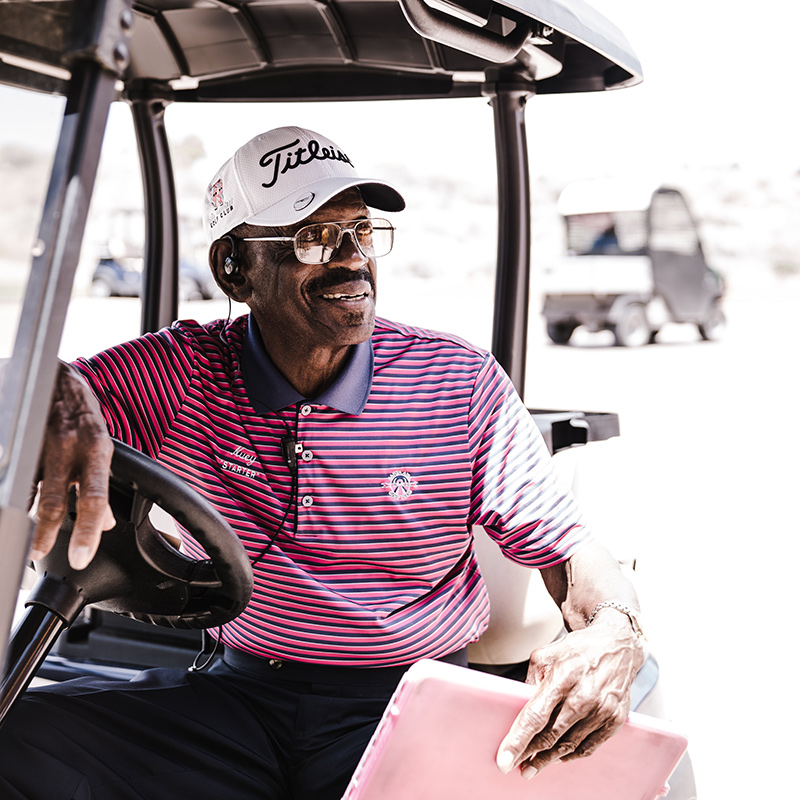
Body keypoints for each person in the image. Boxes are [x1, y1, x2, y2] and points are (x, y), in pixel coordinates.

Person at [0, 126, 645, 799]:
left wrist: (617, 627)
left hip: (405, 707)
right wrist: (56, 387)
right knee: (16, 735)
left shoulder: (455, 382)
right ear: (235, 269)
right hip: (238, 700)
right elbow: (26, 388)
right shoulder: (182, 371)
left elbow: (572, 552)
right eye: (314, 239)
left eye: (362, 233)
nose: (352, 261)